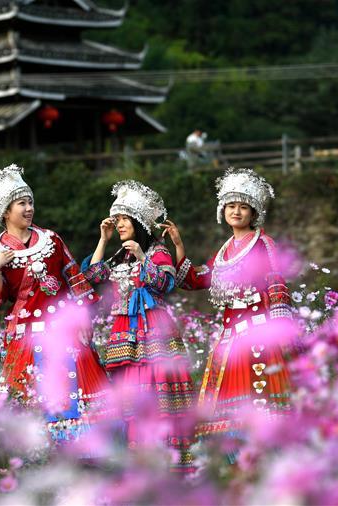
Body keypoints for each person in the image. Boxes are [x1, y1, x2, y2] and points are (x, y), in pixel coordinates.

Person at [161, 167, 293, 462]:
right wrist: (179, 245)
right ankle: (237, 468)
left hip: (258, 339)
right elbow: (195, 280)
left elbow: (276, 284)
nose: (236, 211)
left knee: (259, 407)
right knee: (229, 417)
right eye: (231, 205)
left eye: (243, 207)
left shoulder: (263, 244)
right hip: (228, 342)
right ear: (223, 210)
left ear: (253, 212)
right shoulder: (223, 252)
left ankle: (266, 466)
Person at [0, 164, 110, 442]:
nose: (28, 209)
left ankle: (84, 450)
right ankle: (38, 453)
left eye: (30, 202)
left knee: (74, 390)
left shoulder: (51, 239)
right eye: (21, 203)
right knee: (31, 396)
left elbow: (75, 279)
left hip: (64, 329)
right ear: (5, 212)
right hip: (26, 334)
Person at [82, 180, 196, 473]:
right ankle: (137, 463)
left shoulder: (157, 252)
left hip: (153, 330)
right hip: (124, 334)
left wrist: (144, 257)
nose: (118, 224)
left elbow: (165, 284)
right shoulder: (120, 255)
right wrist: (104, 239)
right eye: (116, 219)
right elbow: (93, 276)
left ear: (138, 221)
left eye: (122, 219)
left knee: (159, 394)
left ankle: (167, 462)